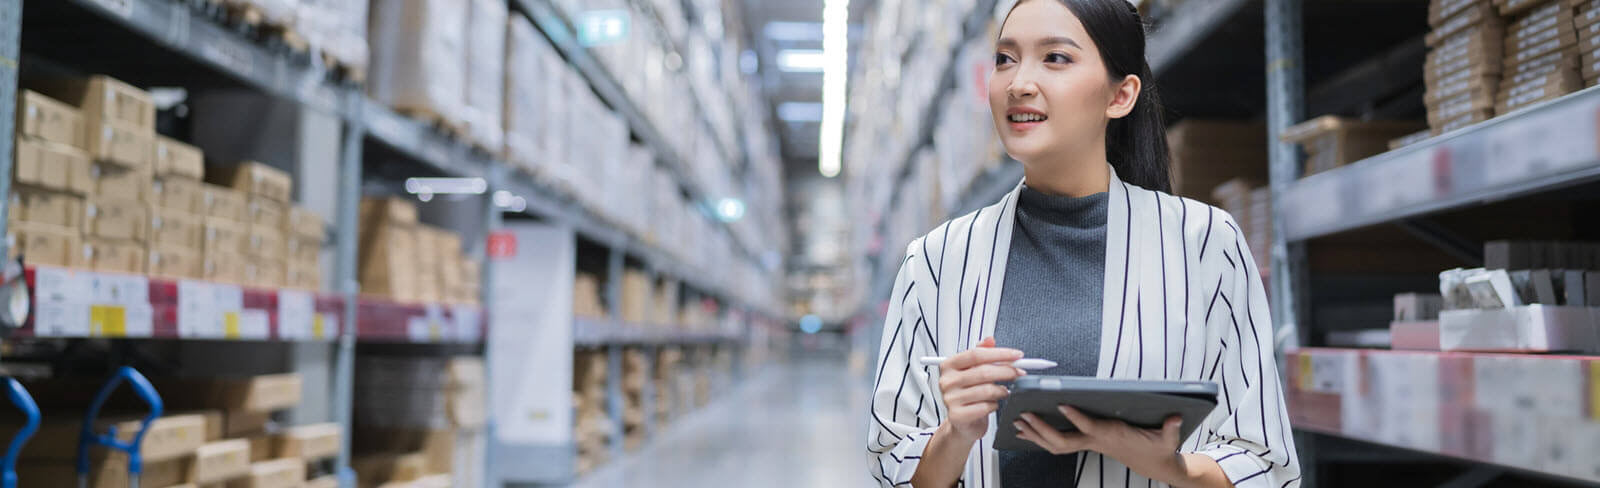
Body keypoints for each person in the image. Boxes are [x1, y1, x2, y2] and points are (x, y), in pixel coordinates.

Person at [865, 0, 1301, 486]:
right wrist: (956, 432)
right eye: (1005, 59)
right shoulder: (934, 261)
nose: (1018, 83)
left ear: (1121, 95)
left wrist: (1165, 464)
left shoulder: (1205, 245)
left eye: (1055, 58)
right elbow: (892, 464)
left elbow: (1266, 465)